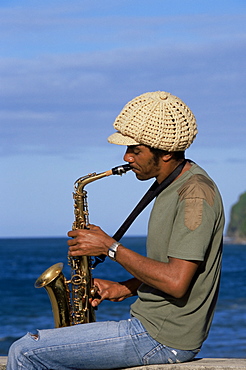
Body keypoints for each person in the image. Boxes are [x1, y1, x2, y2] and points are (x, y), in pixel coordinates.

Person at [7, 91, 225, 370]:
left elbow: (177, 282)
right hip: (153, 328)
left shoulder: (194, 195)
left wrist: (109, 248)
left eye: (135, 150)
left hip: (161, 338)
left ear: (166, 152)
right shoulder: (173, 183)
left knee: (25, 351)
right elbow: (178, 271)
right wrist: (124, 287)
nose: (126, 157)